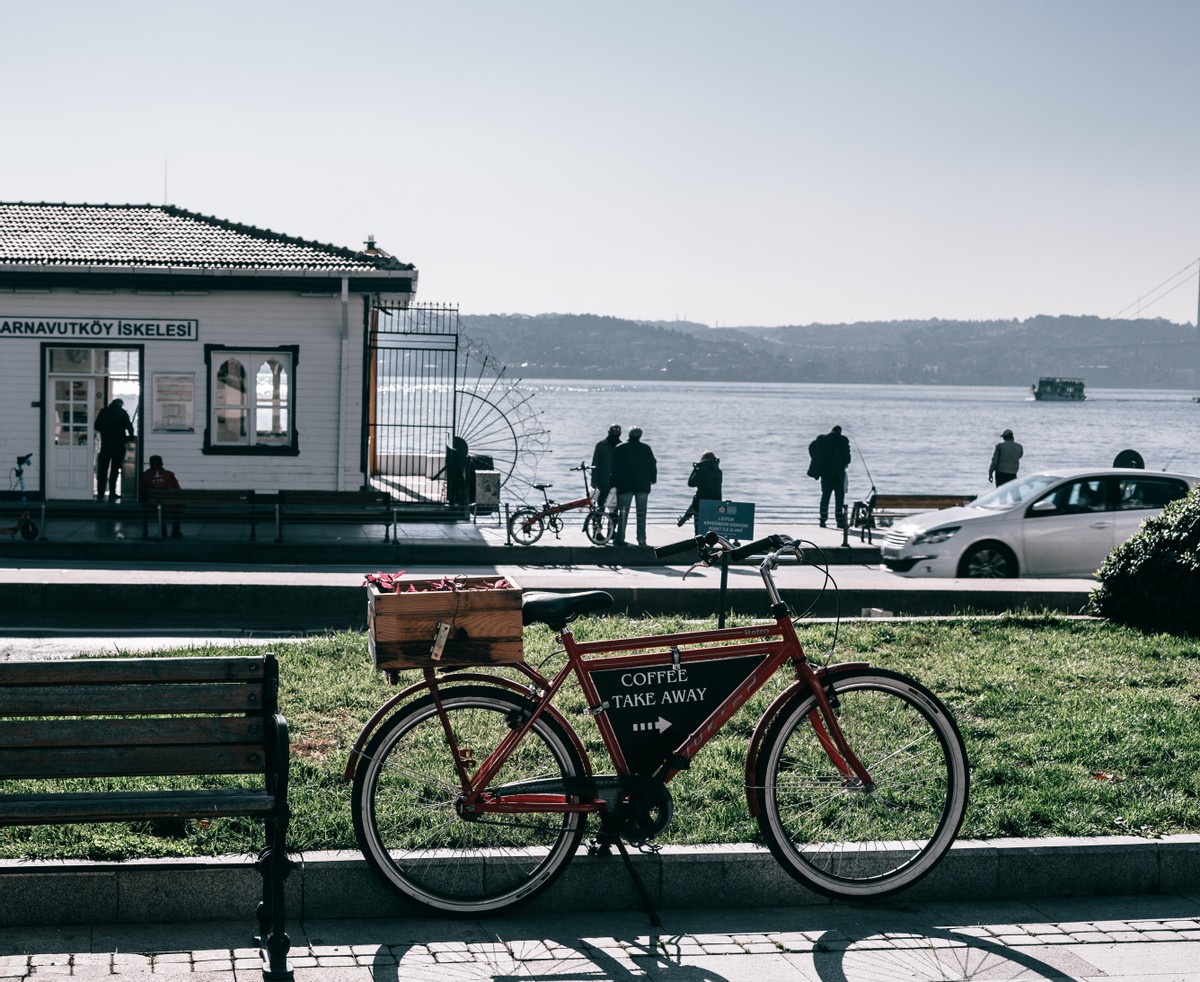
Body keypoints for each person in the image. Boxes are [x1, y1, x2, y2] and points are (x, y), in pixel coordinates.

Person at [611, 426, 657, 547]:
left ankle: (620, 538)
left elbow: (614, 468)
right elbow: (652, 465)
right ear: (640, 436)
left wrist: (613, 483)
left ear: (629, 435)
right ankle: (641, 539)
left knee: (623, 513)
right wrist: (653, 479)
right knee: (641, 514)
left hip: (625, 485)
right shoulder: (646, 448)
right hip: (642, 485)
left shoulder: (620, 448)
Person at [810, 424, 851, 529]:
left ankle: (823, 520)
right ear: (840, 432)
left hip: (825, 475)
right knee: (839, 500)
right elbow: (847, 458)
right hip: (838, 475)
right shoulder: (843, 440)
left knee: (825, 498)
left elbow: (811, 447)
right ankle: (840, 522)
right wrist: (844, 462)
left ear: (832, 431)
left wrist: (816, 459)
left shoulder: (822, 439)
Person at [94, 397, 134, 502]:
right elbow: (130, 427)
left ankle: (100, 493)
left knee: (103, 470)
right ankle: (112, 492)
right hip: (118, 445)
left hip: (106, 444)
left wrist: (106, 430)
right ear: (120, 404)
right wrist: (130, 438)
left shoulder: (103, 412)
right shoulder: (122, 413)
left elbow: (97, 426)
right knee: (115, 470)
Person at [139, 454, 183, 538]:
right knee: (177, 505)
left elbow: (141, 491)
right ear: (162, 464)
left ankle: (149, 531)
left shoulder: (145, 475)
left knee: (157, 505)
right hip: (170, 506)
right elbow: (178, 490)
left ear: (150, 464)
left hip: (151, 506)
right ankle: (175, 531)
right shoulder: (169, 474)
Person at [681, 451, 723, 531]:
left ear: (704, 459)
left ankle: (684, 519)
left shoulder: (702, 469)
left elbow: (691, 483)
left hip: (701, 503)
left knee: (698, 527)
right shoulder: (718, 471)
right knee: (710, 528)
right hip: (716, 502)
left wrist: (695, 469)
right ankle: (684, 519)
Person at [590, 423, 622, 519]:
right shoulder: (601, 445)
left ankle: (611, 531)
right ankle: (598, 530)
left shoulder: (622, 446)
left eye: (617, 432)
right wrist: (594, 481)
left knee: (614, 509)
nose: (615, 434)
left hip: (617, 482)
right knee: (601, 507)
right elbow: (595, 464)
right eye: (614, 432)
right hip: (604, 482)